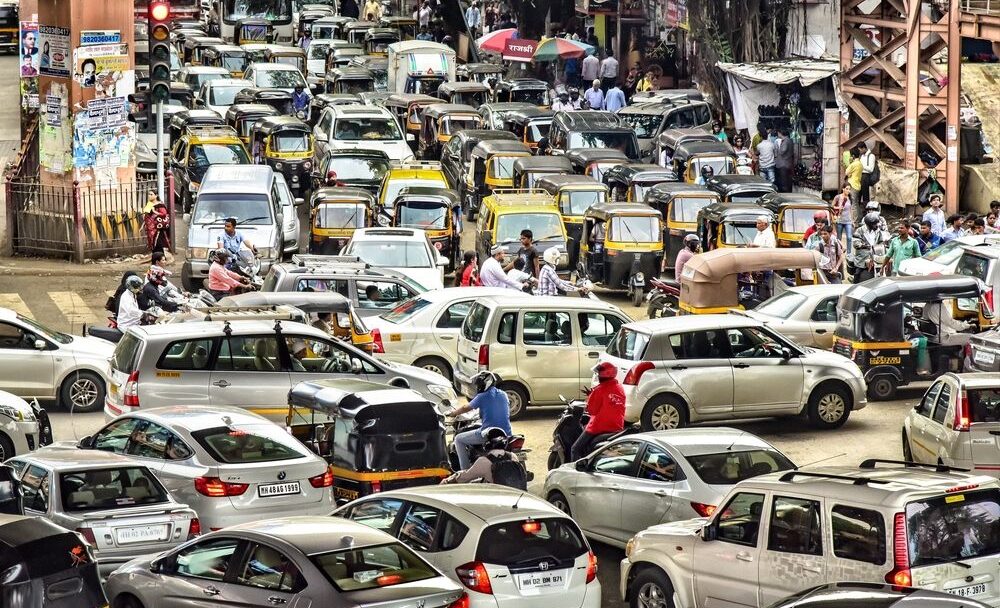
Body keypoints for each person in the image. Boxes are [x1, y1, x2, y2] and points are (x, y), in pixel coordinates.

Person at [448, 371, 512, 469]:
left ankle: (464, 471)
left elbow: (466, 408)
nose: (478, 387)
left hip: (489, 433)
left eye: (479, 384)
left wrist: (453, 413)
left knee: (458, 439)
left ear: (485, 383)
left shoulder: (482, 396)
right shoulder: (503, 394)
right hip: (507, 433)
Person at [570, 362, 625, 460]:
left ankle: (575, 472)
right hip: (617, 426)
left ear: (605, 374)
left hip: (599, 427)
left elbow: (592, 411)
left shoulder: (599, 390)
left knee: (575, 449)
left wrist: (591, 397)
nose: (598, 375)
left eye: (599, 373)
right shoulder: (620, 388)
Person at [441, 427, 525, 488]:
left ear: (488, 444)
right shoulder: (512, 456)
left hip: (499, 498)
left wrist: (447, 481)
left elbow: (464, 477)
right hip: (516, 494)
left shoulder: (484, 461)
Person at [851, 212, 891, 282]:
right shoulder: (859, 230)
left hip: (876, 256)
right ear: (869, 224)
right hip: (863, 257)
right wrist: (864, 245)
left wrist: (883, 246)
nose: (876, 225)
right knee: (858, 272)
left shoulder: (878, 231)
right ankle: (855, 283)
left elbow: (881, 241)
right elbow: (856, 242)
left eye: (877, 223)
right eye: (874, 224)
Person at [833, 183, 853, 253]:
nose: (848, 191)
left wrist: (852, 220)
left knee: (849, 237)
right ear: (843, 189)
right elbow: (832, 207)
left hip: (848, 221)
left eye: (849, 189)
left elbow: (850, 210)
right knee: (839, 238)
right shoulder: (838, 197)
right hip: (839, 220)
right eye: (847, 189)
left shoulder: (850, 198)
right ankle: (838, 251)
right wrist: (838, 208)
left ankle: (849, 253)